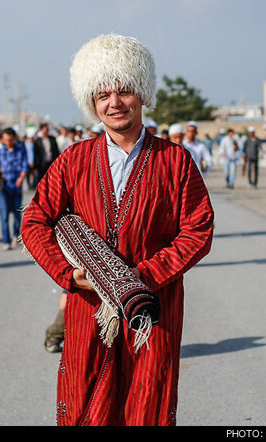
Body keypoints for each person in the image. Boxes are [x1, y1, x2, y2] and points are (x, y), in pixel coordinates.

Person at [20, 34, 214, 426]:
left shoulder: (175, 161)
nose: (114, 102)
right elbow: (35, 220)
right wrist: (69, 274)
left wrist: (135, 280)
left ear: (141, 94)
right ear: (92, 102)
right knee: (85, 403)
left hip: (151, 309)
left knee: (148, 403)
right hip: (87, 308)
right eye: (103, 94)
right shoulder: (74, 159)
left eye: (124, 90)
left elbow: (198, 230)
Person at [0, 127, 28, 250]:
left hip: (16, 187)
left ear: (14, 139)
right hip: (3, 188)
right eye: (5, 140)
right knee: (4, 214)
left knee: (17, 214)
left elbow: (24, 166)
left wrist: (21, 178)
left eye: (10, 140)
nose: (8, 142)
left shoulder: (21, 151)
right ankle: (6, 240)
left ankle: (15, 236)